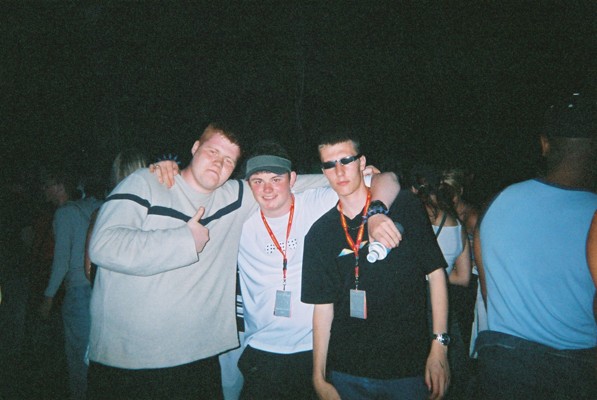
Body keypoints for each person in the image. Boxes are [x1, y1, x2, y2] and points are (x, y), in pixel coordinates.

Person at [88, 123, 337, 399]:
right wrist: (184, 240)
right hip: (130, 362)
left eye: (228, 160)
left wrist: (350, 176)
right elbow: (103, 245)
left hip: (199, 358)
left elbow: (284, 183)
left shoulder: (235, 196)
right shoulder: (147, 182)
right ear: (195, 148)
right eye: (212, 152)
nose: (219, 163)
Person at [236, 141, 401, 400]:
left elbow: (387, 178)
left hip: (316, 348)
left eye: (276, 179)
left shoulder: (315, 201)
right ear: (248, 185)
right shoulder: (240, 219)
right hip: (262, 348)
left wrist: (377, 213)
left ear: (292, 179)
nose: (267, 189)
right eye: (258, 181)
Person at [301, 131, 450, 400]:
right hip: (347, 371)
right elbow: (322, 308)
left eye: (346, 160)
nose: (339, 171)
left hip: (408, 369)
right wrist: (318, 376)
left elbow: (436, 273)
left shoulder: (404, 206)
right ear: (323, 171)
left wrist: (439, 347)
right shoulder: (320, 233)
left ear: (362, 163)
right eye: (330, 165)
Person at [474, 92, 597, 399]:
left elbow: (488, 294)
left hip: (504, 367)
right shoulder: (592, 212)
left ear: (544, 144)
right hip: (577, 370)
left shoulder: (496, 203)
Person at [38, 169, 104, 399]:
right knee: (94, 356)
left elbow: (61, 261)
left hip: (78, 294)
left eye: (47, 185)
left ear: (60, 186)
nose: (44, 190)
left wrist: (48, 297)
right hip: (99, 290)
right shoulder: (92, 206)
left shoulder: (64, 213)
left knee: (79, 360)